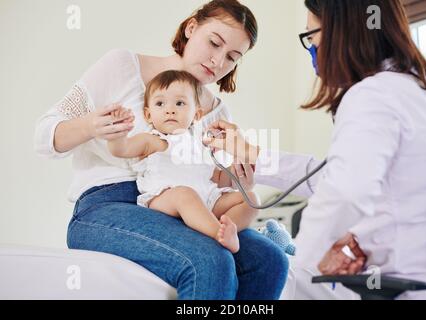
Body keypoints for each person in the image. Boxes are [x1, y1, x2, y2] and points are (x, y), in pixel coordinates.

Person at [34, 0, 289, 300]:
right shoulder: (122, 67)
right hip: (106, 206)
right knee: (209, 260)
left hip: (185, 211)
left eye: (232, 57)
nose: (218, 62)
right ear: (191, 27)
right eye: (214, 43)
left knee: (270, 261)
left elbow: (212, 184)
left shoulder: (218, 114)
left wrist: (241, 182)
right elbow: (44, 136)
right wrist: (91, 126)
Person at [203, 0, 426, 299]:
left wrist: (304, 263)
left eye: (312, 34)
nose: (312, 47)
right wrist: (253, 153)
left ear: (340, 31)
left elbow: (344, 193)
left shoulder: (372, 96)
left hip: (406, 281)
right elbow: (348, 179)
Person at [108, 70, 259, 253]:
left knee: (251, 198)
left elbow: (217, 179)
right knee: (185, 195)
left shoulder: (201, 144)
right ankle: (216, 233)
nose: (170, 109)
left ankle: (226, 229)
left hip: (207, 202)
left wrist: (237, 170)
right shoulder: (152, 140)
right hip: (165, 199)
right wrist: (117, 132)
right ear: (148, 115)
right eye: (160, 103)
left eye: (180, 103)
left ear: (196, 115)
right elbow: (120, 149)